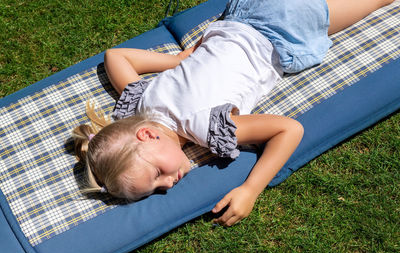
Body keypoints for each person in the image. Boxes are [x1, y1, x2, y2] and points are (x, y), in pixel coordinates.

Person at [72, 0, 394, 226]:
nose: (168, 185)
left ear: (147, 135)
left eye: (158, 174)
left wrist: (250, 189)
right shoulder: (142, 103)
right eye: (159, 188)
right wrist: (178, 60)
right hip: (244, 11)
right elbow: (116, 57)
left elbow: (288, 130)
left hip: (282, 27)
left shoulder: (206, 126)